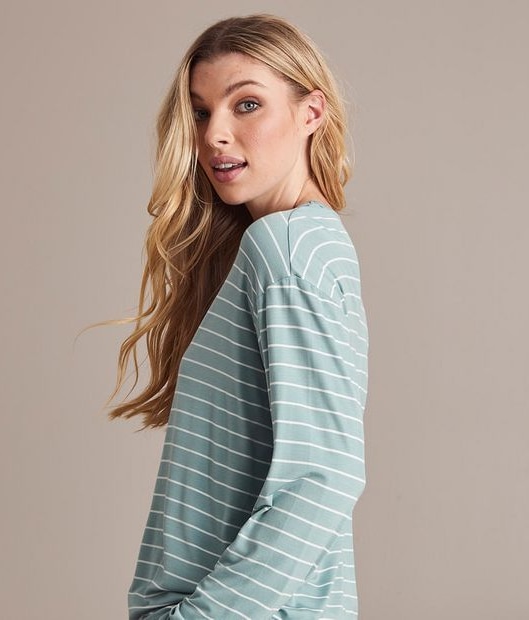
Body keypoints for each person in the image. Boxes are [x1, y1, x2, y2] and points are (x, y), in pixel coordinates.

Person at [109, 13, 369, 619]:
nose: (215, 135)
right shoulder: (295, 245)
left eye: (246, 104)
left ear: (311, 112)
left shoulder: (287, 247)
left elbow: (325, 476)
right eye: (201, 113)